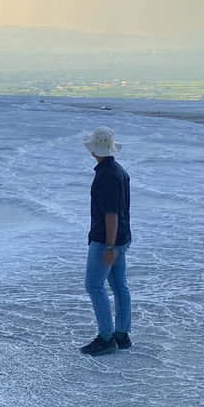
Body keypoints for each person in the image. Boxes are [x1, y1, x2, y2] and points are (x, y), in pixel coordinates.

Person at [80, 126, 132, 356]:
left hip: (106, 239)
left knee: (94, 285)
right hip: (121, 237)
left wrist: (109, 246)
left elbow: (111, 213)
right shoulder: (118, 171)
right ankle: (122, 334)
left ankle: (106, 337)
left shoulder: (106, 176)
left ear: (95, 150)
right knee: (120, 286)